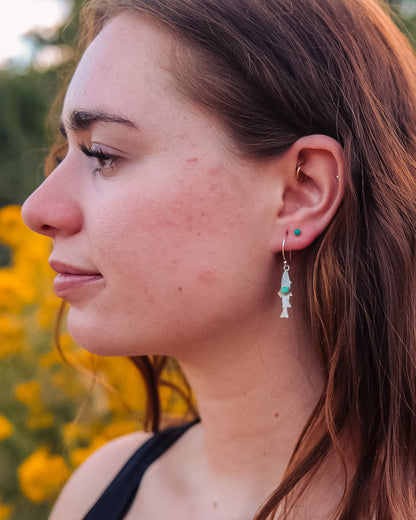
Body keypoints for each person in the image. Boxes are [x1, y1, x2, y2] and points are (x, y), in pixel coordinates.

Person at [21, 0, 416, 518]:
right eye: (65, 154)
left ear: (299, 193)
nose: (37, 209)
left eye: (104, 154)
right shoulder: (98, 490)